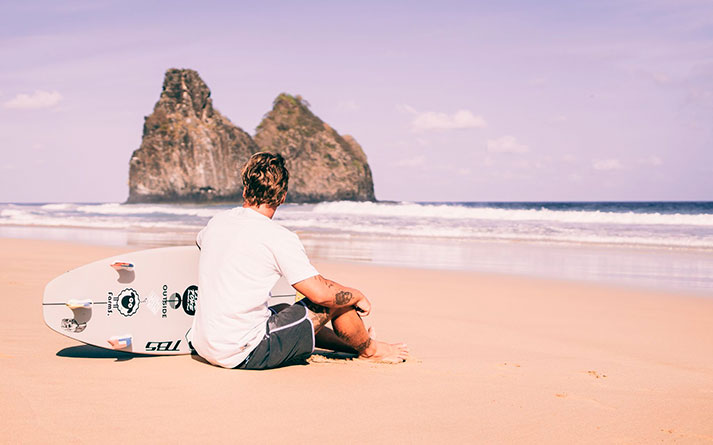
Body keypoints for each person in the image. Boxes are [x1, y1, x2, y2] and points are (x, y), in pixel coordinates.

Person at [190, 152, 409, 369]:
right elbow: (321, 294)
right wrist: (357, 294)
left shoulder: (217, 222)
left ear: (245, 189)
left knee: (286, 307)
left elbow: (203, 245)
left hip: (205, 346)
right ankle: (370, 351)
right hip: (245, 352)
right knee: (335, 301)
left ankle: (352, 345)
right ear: (282, 196)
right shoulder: (277, 236)